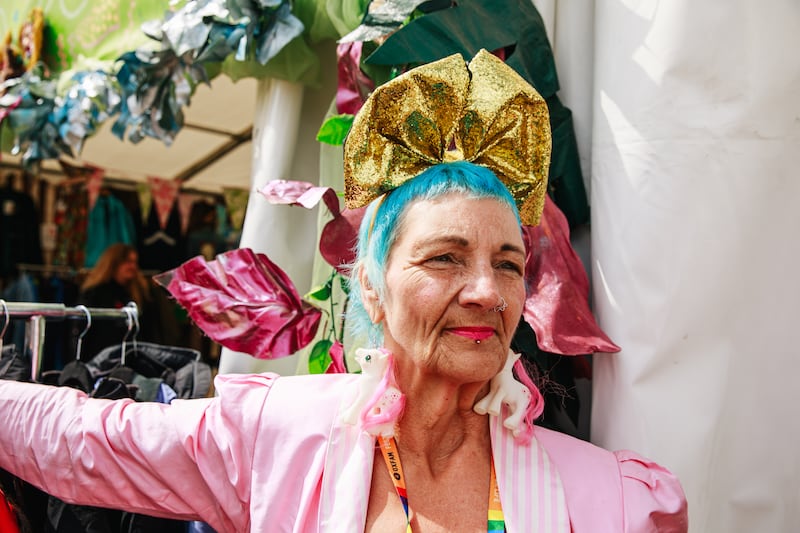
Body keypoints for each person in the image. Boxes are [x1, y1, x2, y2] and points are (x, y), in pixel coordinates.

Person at [0, 51, 688, 532]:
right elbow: (92, 438)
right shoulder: (275, 439)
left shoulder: (611, 503)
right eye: (445, 257)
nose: (486, 289)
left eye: (508, 263)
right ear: (372, 282)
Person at [76, 243, 154, 358]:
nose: (132, 267)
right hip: (100, 358)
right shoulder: (95, 293)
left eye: (134, 262)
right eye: (128, 261)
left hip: (130, 359)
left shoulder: (139, 294)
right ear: (114, 263)